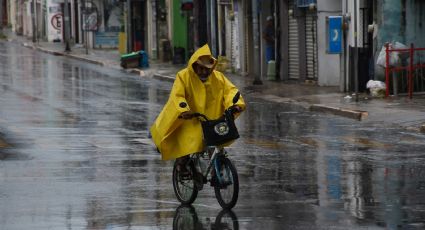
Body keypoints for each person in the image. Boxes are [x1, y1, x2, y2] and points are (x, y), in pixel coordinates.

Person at [150, 44, 246, 171]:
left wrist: (235, 105)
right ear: (194, 65)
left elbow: (230, 91)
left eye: (207, 69)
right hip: (190, 119)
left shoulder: (218, 78)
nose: (204, 72)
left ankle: (217, 173)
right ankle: (181, 165)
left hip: (212, 119)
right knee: (188, 145)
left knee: (217, 143)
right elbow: (177, 96)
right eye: (201, 68)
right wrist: (184, 110)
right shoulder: (183, 77)